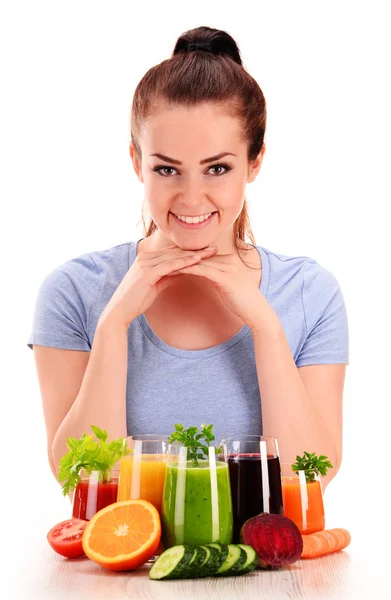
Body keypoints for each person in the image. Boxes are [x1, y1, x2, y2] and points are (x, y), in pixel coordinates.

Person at [27, 26, 349, 492]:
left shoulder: (309, 293)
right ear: (137, 163)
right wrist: (114, 324)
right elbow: (83, 483)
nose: (192, 198)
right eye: (167, 169)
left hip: (266, 566)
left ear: (255, 161)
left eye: (217, 168)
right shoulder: (74, 292)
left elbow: (304, 481)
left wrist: (265, 325)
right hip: (130, 561)